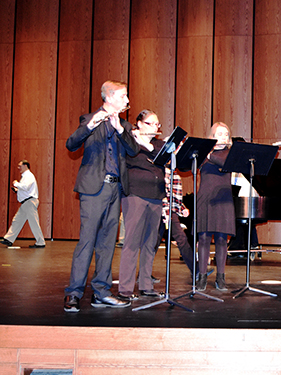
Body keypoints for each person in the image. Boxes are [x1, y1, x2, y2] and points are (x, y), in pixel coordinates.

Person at [64, 80, 139, 312]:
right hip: (94, 190)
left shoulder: (123, 125)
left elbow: (134, 150)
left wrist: (118, 129)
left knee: (107, 243)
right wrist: (90, 126)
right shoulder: (88, 119)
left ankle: (101, 292)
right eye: (123, 96)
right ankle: (74, 293)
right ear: (109, 97)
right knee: (87, 241)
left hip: (115, 190)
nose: (127, 100)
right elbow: (71, 144)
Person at [117, 109, 166, 301]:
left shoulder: (159, 145)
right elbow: (132, 153)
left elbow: (163, 159)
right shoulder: (130, 141)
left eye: (157, 124)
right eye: (151, 123)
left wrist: (148, 144)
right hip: (136, 195)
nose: (155, 127)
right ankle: (125, 289)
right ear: (139, 124)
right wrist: (138, 140)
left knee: (149, 243)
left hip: (156, 196)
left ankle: (146, 285)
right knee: (132, 242)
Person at [195, 122, 236, 292]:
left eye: (226, 134)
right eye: (219, 133)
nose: (223, 137)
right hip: (205, 198)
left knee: (221, 239)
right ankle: (202, 276)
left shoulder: (231, 154)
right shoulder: (202, 153)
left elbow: (225, 164)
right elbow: (190, 166)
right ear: (211, 137)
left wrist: (209, 154)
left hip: (223, 199)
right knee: (203, 238)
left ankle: (221, 277)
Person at [1, 160, 46, 248]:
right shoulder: (26, 176)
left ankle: (41, 242)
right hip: (26, 202)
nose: (18, 168)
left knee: (34, 223)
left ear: (25, 166)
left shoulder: (28, 175)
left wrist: (16, 184)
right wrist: (17, 190)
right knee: (17, 220)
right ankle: (9, 239)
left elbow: (26, 187)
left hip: (29, 202)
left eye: (20, 166)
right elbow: (26, 190)